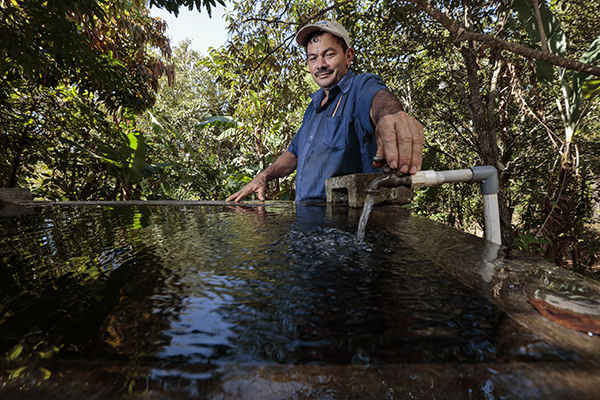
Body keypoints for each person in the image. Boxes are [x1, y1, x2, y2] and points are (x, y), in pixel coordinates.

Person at [226, 20, 423, 203]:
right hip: (307, 223)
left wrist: (390, 117)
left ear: (348, 56)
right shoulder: (313, 107)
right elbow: (294, 153)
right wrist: (263, 176)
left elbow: (378, 98)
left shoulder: (359, 88)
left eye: (329, 54)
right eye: (313, 58)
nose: (320, 65)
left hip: (346, 228)